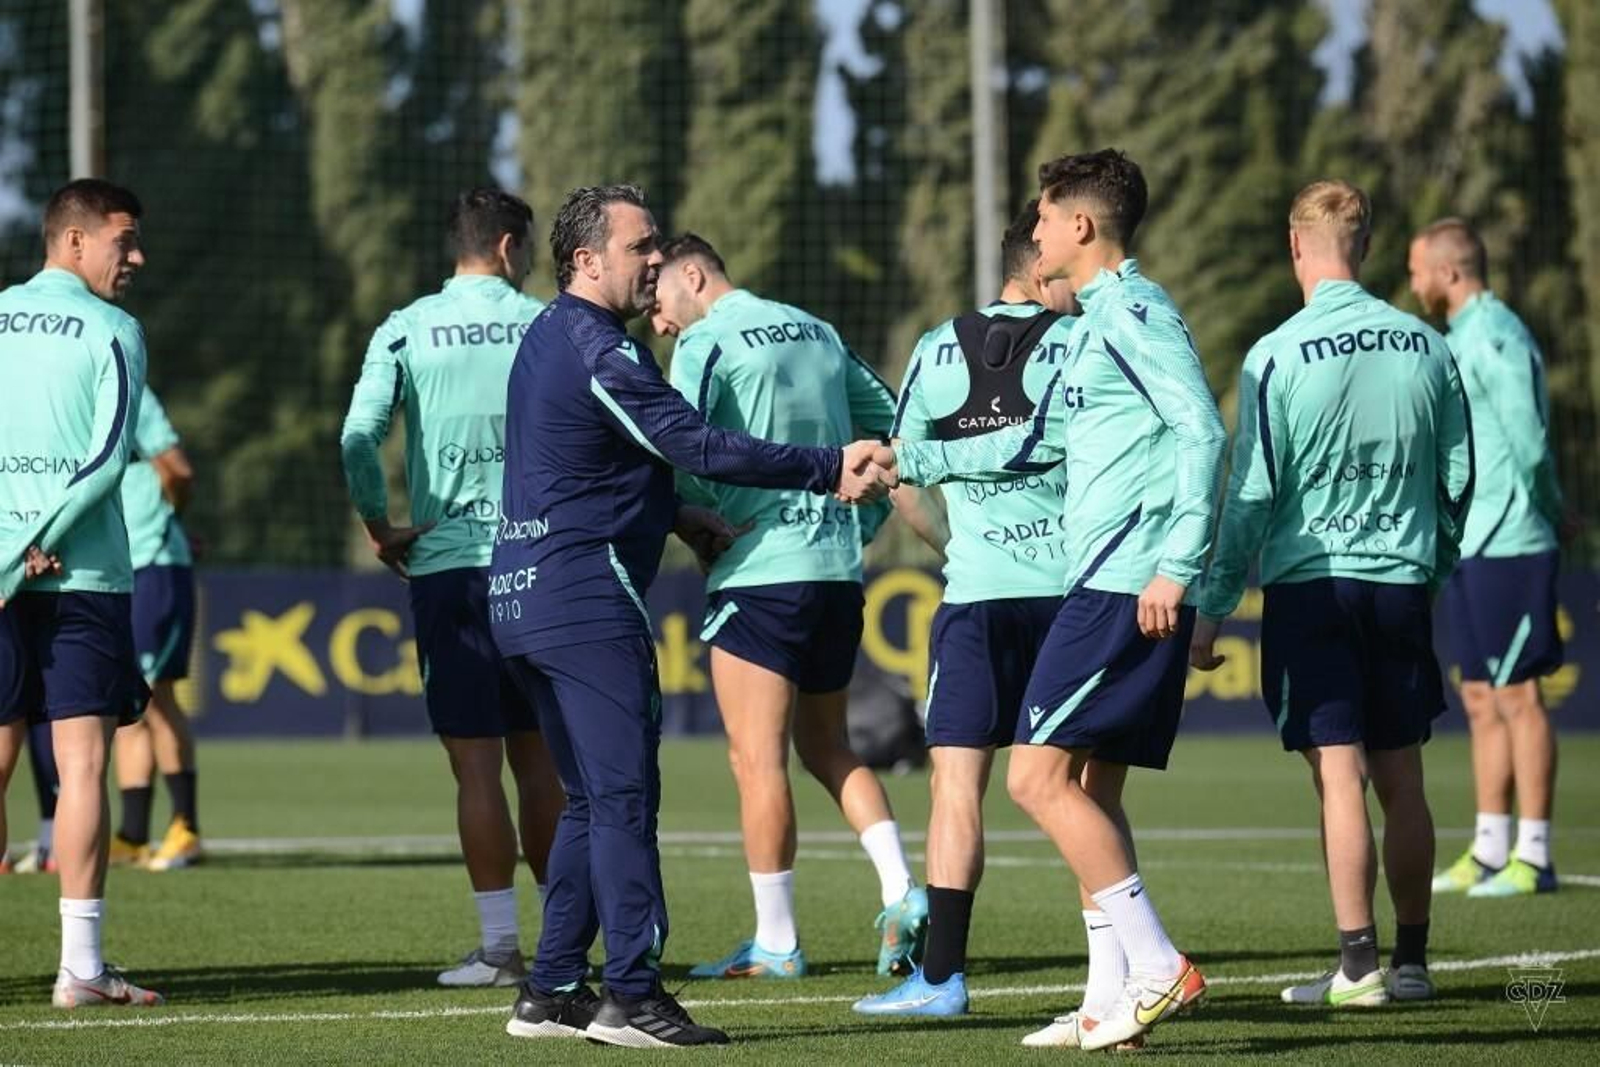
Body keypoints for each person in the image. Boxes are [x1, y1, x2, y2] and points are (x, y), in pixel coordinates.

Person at [489, 183, 886, 1048]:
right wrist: (826, 465)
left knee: (591, 799)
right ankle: (632, 995)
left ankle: (553, 985)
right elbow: (693, 442)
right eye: (642, 247)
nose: (658, 260)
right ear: (587, 262)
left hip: (523, 596)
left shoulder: (549, 337)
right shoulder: (601, 348)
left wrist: (674, 514)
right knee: (626, 797)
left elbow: (581, 463)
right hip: (586, 600)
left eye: (659, 245)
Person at [863, 149, 1221, 1051]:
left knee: (1033, 776)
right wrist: (915, 459)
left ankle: (1157, 963)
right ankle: (1110, 1002)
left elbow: (1205, 430)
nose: (1034, 230)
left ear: (1082, 227)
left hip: (1121, 577)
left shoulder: (1133, 311)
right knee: (1082, 788)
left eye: (1046, 216)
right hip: (1098, 579)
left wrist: (1180, 569)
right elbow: (1027, 446)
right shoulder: (1101, 317)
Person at [1191, 181, 1475, 1007]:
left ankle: (1359, 966)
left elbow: (1250, 493)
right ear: (1366, 246)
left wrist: (1212, 605)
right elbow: (1458, 477)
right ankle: (1414, 962)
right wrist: (1432, 563)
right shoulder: (1427, 347)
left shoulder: (1276, 352)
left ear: (1294, 247)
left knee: (1338, 774)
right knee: (1404, 777)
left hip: (1313, 587)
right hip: (1399, 585)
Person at [649, 233, 924, 982]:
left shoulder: (706, 341)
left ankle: (776, 941)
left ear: (694, 275)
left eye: (660, 301)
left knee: (756, 758)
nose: (659, 322)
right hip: (835, 570)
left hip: (761, 569)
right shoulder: (818, 329)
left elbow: (680, 444)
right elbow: (892, 427)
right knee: (830, 746)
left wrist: (693, 517)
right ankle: (904, 889)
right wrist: (861, 524)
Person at [853, 200, 1082, 1018]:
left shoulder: (937, 347)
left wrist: (955, 542)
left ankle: (942, 979)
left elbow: (899, 469)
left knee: (956, 783)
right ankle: (1121, 971)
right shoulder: (1080, 342)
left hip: (979, 594)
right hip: (1068, 597)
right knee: (1082, 791)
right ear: (1042, 269)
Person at [340, 187, 565, 988]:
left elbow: (357, 436)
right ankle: (566, 948)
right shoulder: (547, 321)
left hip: (448, 568)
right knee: (542, 765)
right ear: (508, 247)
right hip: (539, 562)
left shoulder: (405, 328)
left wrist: (378, 519)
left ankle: (502, 949)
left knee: (475, 769)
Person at [0, 177, 162, 1008]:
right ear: (74, 241)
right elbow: (105, 464)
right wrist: (40, 539)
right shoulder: (114, 330)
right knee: (82, 763)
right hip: (81, 575)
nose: (134, 257)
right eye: (123, 240)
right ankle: (82, 969)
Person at [1408, 218, 1566, 899]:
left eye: (1418, 270)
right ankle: (1490, 845)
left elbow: (1529, 442)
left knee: (1518, 695)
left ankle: (1535, 852)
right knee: (1478, 696)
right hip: (1471, 541)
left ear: (1448, 272)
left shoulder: (1497, 336)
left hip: (1511, 539)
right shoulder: (1458, 338)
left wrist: (1553, 508)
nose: (1414, 283)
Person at [106, 384, 203, 871]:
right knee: (130, 704)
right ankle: (133, 834)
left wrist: (171, 522)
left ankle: (185, 828)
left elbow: (179, 472)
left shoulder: (130, 391)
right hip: (120, 566)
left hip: (154, 563)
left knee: (155, 698)